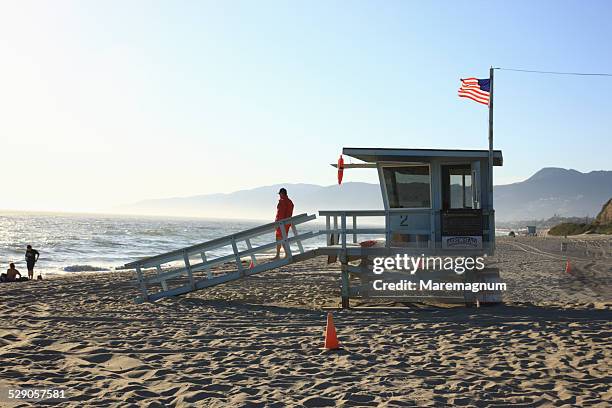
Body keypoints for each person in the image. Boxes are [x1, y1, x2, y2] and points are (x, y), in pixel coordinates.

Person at [273, 188, 294, 259]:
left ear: (282, 194)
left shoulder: (283, 201)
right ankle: (283, 254)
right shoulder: (290, 202)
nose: (279, 195)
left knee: (279, 238)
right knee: (282, 238)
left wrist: (277, 222)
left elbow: (280, 214)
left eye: (280, 194)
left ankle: (280, 255)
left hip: (282, 223)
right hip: (287, 223)